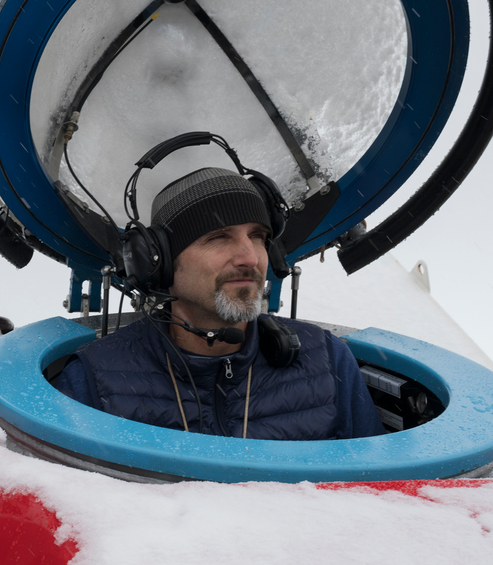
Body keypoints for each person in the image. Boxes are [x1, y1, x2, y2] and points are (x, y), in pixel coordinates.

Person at [54, 167, 386, 440]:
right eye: (218, 237)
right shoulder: (92, 380)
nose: (249, 257)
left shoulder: (329, 363)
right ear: (162, 263)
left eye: (257, 236)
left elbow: (374, 495)